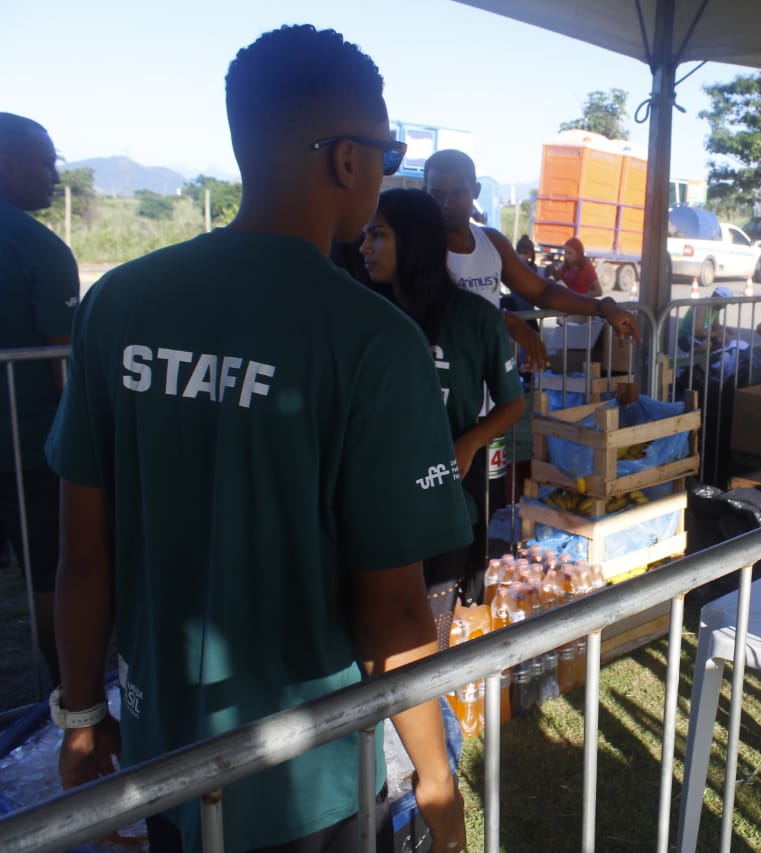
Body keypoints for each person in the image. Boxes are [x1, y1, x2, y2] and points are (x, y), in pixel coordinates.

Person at [46, 25, 470, 853]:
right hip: (303, 780)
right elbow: (390, 611)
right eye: (389, 150)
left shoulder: (120, 303)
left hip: (166, 748)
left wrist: (83, 714)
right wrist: (437, 776)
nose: (387, 173)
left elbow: (83, 553)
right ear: (347, 160)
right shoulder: (373, 341)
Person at [359, 188, 525, 643]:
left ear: (413, 240)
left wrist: (469, 443)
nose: (364, 247)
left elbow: (514, 403)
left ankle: (427, 702)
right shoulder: (363, 314)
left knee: (432, 632)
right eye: (365, 234)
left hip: (450, 501)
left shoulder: (475, 318)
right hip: (379, 504)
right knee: (383, 635)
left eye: (378, 234)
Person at [423, 149, 641, 371]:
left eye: (458, 193)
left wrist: (603, 307)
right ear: (425, 193)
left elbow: (542, 292)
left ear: (475, 191)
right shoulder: (416, 246)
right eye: (437, 195)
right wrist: (504, 321)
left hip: (483, 374)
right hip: (436, 377)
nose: (447, 204)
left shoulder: (492, 242)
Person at [0, 112, 79, 690]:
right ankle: (66, 695)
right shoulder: (40, 249)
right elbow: (63, 369)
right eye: (45, 161)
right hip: (31, 453)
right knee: (53, 575)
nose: (55, 174)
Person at [677, 285, 733, 353]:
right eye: (725, 304)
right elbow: (696, 332)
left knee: (724, 337)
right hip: (686, 337)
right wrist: (717, 334)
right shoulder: (702, 306)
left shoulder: (716, 309)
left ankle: (710, 359)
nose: (724, 307)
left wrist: (726, 329)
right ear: (719, 299)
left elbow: (716, 327)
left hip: (698, 336)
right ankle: (690, 355)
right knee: (707, 344)